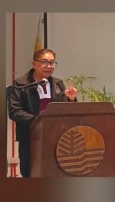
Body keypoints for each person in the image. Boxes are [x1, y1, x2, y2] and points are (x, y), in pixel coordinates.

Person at [8, 48, 77, 177]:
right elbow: (14, 111)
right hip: (29, 138)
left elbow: (64, 112)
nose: (49, 66)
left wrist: (71, 99)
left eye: (52, 63)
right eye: (45, 62)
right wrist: (38, 121)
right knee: (30, 173)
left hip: (56, 139)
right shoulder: (21, 84)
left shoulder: (58, 83)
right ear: (34, 64)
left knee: (54, 172)